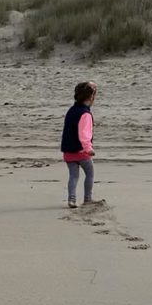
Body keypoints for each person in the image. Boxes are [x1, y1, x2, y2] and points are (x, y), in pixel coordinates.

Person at [61, 81, 97, 209]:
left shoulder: (71, 110)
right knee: (90, 173)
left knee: (73, 176)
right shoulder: (85, 114)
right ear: (91, 98)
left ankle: (71, 199)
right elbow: (84, 134)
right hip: (81, 152)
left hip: (68, 152)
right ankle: (87, 199)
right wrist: (89, 149)